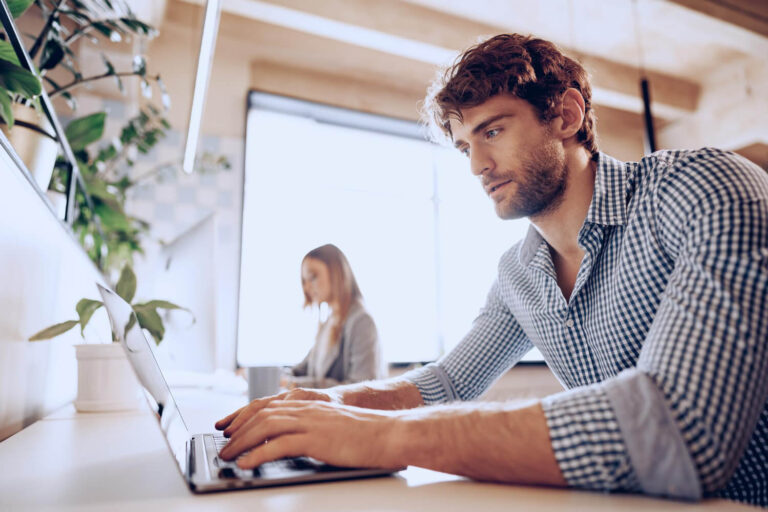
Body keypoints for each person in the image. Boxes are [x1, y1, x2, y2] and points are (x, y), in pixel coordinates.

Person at [215, 34, 768, 507]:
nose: (477, 166)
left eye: (493, 131)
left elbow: (679, 427)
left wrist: (383, 436)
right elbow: (445, 383)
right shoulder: (519, 273)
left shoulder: (705, 188)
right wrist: (330, 405)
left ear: (567, 116)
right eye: (464, 147)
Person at [284, 244, 386, 389]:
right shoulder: (328, 322)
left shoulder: (361, 321)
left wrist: (293, 384)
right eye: (304, 281)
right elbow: (301, 370)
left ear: (337, 273)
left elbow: (362, 388)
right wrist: (270, 375)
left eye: (312, 277)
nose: (306, 288)